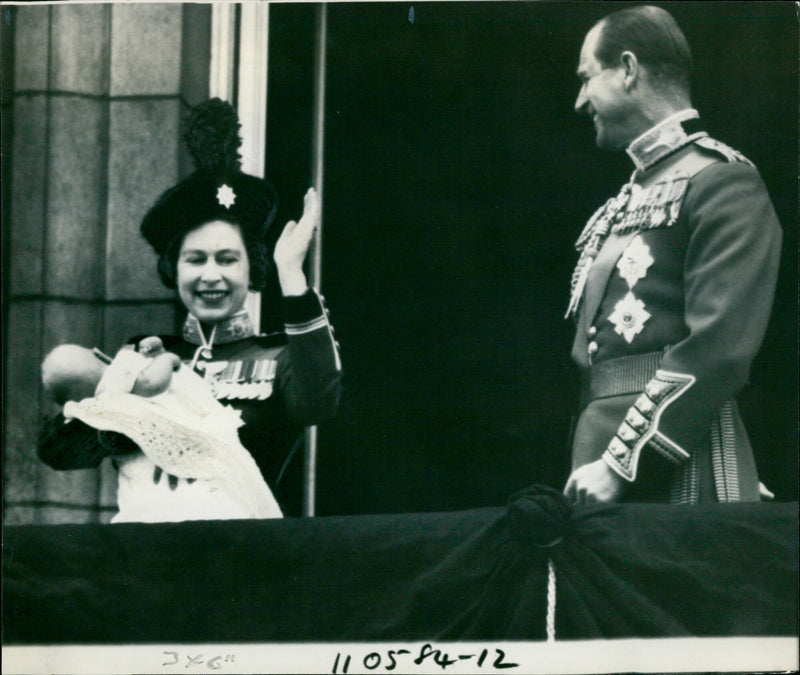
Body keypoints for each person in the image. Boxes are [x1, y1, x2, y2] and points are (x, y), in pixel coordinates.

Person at [38, 98, 342, 519]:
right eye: (195, 259)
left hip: (243, 557)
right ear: (174, 269)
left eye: (227, 259)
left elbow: (318, 402)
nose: (211, 275)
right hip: (151, 562)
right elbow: (63, 452)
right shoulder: (142, 359)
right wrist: (118, 410)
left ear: (251, 268)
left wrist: (292, 275)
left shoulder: (277, 359)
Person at [562, 6, 781, 506]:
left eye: (586, 79)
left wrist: (622, 465)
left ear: (629, 69)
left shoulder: (723, 180)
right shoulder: (629, 197)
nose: (579, 102)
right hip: (594, 463)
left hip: (678, 464)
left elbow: (720, 347)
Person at [41, 339, 284, 522]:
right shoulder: (137, 353)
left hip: (226, 490)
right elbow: (54, 449)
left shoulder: (274, 351)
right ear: (101, 356)